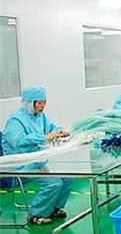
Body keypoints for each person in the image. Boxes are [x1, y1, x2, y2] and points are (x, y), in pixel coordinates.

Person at [2, 86, 72, 224]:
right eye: (39, 103)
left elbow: (51, 128)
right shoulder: (16, 120)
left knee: (68, 179)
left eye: (44, 102)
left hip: (38, 161)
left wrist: (60, 131)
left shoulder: (40, 117)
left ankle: (54, 208)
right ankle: (35, 215)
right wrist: (44, 138)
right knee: (53, 184)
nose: (42, 106)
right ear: (29, 103)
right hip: (22, 163)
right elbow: (17, 141)